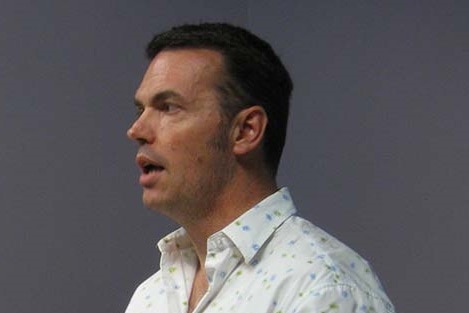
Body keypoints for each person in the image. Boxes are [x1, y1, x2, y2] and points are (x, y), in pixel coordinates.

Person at [125, 23, 395, 313]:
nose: (136, 130)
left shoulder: (323, 289)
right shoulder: (150, 297)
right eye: (141, 110)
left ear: (246, 130)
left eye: (168, 107)